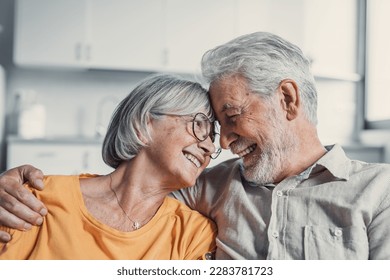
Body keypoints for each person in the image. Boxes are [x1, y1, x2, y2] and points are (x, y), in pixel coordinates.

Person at [1, 31, 390, 260]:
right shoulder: (210, 186)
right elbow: (130, 188)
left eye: (231, 117)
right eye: (209, 125)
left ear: (287, 100)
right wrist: (12, 187)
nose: (220, 143)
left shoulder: (379, 191)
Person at [0, 73, 218, 259]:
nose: (209, 146)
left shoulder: (193, 235)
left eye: (212, 136)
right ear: (143, 124)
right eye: (198, 125)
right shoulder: (34, 200)